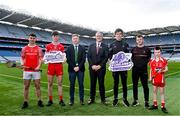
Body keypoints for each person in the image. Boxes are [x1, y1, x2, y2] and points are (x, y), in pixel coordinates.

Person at [21, 33, 44, 109]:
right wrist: (22, 64)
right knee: (26, 86)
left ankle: (39, 101)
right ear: (28, 38)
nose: (32, 39)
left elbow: (41, 59)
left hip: (36, 71)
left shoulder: (39, 49)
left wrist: (38, 66)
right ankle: (25, 102)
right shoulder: (24, 48)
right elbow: (22, 58)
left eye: (33, 38)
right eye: (31, 38)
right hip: (26, 70)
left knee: (38, 86)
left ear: (35, 39)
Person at [109, 28, 130, 107]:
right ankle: (115, 98)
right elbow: (109, 55)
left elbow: (128, 55)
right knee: (115, 83)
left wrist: (127, 62)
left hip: (123, 68)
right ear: (115, 35)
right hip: (115, 68)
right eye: (117, 34)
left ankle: (125, 99)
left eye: (120, 34)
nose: (118, 35)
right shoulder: (112, 44)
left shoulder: (125, 44)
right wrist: (111, 61)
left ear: (122, 35)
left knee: (124, 84)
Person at [87, 32, 109, 105]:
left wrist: (100, 66)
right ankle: (91, 98)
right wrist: (92, 65)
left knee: (101, 84)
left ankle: (103, 99)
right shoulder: (91, 46)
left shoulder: (105, 46)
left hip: (101, 68)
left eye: (100, 36)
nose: (98, 37)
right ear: (95, 37)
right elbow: (88, 56)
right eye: (97, 36)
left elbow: (106, 57)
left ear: (102, 37)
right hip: (92, 68)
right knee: (92, 84)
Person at [46, 31, 66, 106]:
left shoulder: (61, 46)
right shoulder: (48, 46)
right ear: (52, 37)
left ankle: (61, 100)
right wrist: (45, 59)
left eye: (57, 36)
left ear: (58, 37)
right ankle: (50, 100)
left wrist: (64, 59)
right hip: (51, 66)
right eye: (54, 36)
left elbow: (63, 56)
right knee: (50, 83)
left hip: (59, 66)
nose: (55, 37)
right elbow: (46, 56)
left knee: (60, 83)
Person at [131, 34, 151, 108]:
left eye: (140, 39)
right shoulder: (133, 49)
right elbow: (131, 59)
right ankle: (135, 100)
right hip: (135, 70)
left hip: (144, 71)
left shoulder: (147, 49)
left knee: (145, 86)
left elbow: (149, 59)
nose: (139, 41)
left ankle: (146, 102)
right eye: (138, 40)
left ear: (143, 40)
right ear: (136, 41)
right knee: (135, 86)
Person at [66, 34, 86, 106]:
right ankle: (71, 100)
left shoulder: (82, 48)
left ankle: (81, 100)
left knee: (81, 85)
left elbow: (83, 59)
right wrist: (74, 67)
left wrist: (78, 67)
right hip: (72, 70)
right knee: (72, 85)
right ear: (72, 39)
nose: (75, 40)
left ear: (78, 39)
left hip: (80, 70)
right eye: (74, 39)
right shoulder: (69, 48)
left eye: (76, 38)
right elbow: (68, 59)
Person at [149, 46, 168, 113]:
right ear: (154, 53)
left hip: (161, 79)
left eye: (158, 52)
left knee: (162, 93)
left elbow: (166, 69)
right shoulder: (152, 61)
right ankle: (155, 105)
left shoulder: (163, 60)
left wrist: (162, 71)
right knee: (154, 92)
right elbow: (151, 70)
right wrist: (150, 77)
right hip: (154, 79)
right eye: (156, 52)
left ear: (160, 52)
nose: (157, 53)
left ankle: (163, 106)